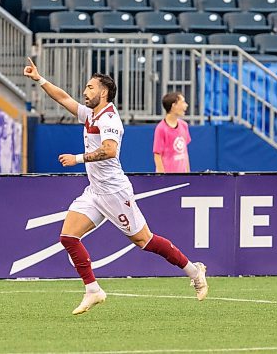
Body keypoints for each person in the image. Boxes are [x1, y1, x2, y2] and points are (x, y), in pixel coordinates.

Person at [23, 58, 208, 315]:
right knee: (68, 236)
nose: (85, 92)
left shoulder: (109, 119)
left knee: (146, 241)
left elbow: (109, 151)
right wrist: (40, 79)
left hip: (115, 192)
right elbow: (63, 99)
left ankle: (194, 271)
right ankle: (93, 290)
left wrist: (77, 158)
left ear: (104, 92)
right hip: (95, 191)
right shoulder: (91, 114)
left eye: (90, 87)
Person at [153, 92, 191, 173]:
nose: (186, 105)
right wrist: (162, 176)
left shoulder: (184, 125)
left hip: (182, 176)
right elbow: (157, 155)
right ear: (174, 106)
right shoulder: (161, 128)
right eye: (183, 102)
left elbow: (185, 152)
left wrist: (188, 173)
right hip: (168, 176)